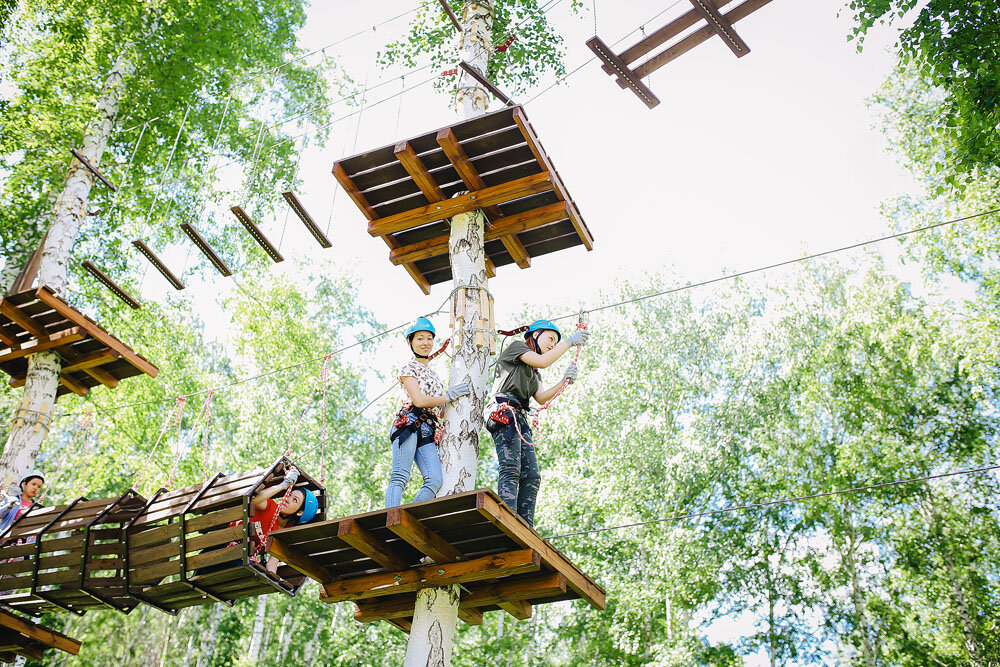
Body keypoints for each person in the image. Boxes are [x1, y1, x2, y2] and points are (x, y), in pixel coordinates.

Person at [486, 320, 589, 527]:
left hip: (520, 415)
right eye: (550, 338)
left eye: (555, 341)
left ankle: (525, 526)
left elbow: (541, 397)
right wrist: (569, 342)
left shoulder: (534, 371)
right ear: (535, 335)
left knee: (532, 475)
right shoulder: (517, 348)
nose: (552, 344)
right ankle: (507, 520)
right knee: (511, 467)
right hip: (504, 410)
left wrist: (564, 381)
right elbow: (543, 361)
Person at [385, 317, 470, 508]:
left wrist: (455, 401)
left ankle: (410, 517)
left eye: (429, 338)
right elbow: (419, 401)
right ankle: (391, 518)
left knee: (434, 480)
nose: (426, 343)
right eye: (420, 338)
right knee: (400, 476)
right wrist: (448, 396)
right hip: (409, 422)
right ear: (410, 342)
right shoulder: (408, 368)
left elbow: (440, 410)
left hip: (428, 429)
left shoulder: (434, 374)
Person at [199, 467, 319, 576]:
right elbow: (254, 500)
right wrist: (283, 485)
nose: (287, 499)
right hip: (224, 545)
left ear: (300, 512)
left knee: (250, 568)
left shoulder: (284, 535)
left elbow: (272, 562)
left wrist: (271, 579)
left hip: (240, 558)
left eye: (294, 500)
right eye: (289, 495)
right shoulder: (270, 507)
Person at [0, 470, 43, 537]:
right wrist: (8, 507)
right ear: (24, 484)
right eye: (33, 484)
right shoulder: (11, 500)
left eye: (39, 487)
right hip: (7, 539)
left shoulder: (37, 507)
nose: (35, 488)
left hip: (26, 541)